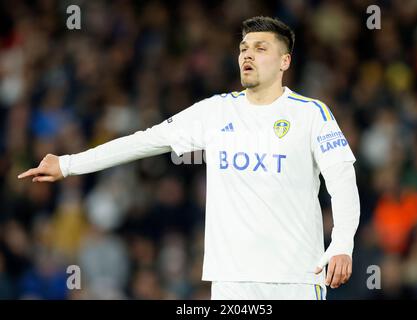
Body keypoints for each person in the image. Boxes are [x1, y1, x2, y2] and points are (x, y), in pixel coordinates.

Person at [18, 16, 360, 300]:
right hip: (231, 280)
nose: (247, 56)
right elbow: (145, 140)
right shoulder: (216, 111)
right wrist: (68, 164)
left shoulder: (311, 114)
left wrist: (342, 243)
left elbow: (342, 178)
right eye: (243, 49)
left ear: (285, 61)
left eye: (260, 48)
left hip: (295, 277)